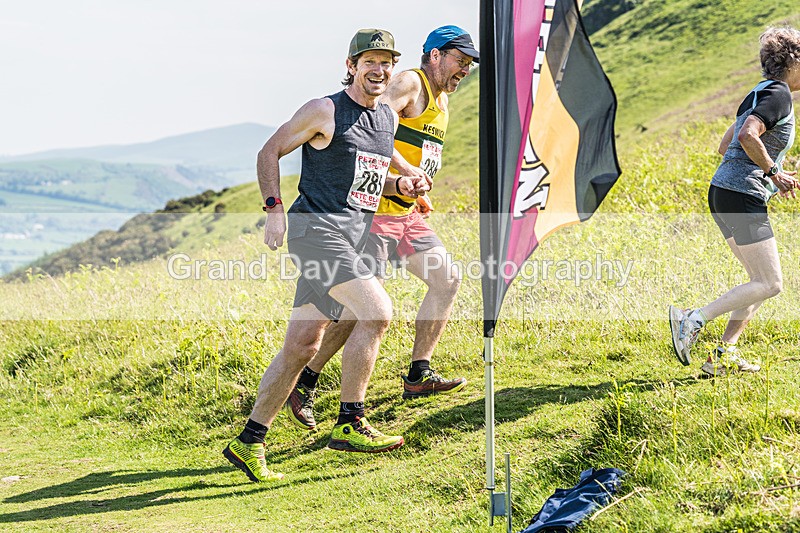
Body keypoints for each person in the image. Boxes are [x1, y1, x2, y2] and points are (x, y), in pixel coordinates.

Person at [223, 28, 430, 482]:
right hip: (316, 231)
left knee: (301, 347)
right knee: (376, 312)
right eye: (369, 61)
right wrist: (274, 211)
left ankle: (249, 441)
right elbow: (269, 151)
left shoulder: (386, 120)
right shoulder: (325, 109)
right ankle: (351, 421)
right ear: (352, 65)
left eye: (386, 62)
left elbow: (367, 185)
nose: (379, 70)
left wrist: (403, 183)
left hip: (353, 235)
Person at [285, 25, 479, 431]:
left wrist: (415, 187)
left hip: (406, 212)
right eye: (461, 60)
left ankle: (417, 374)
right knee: (360, 312)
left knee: (447, 279)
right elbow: (371, 127)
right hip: (375, 215)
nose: (465, 69)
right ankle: (307, 380)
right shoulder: (410, 81)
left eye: (469, 64)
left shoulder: (442, 99)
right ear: (436, 55)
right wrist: (403, 174)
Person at [669, 26, 800, 377]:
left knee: (756, 283)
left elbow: (725, 144)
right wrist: (772, 171)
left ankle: (722, 354)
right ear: (793, 62)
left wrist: (772, 169)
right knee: (771, 284)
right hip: (740, 195)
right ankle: (690, 320)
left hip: (724, 191)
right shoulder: (780, 95)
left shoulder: (758, 92)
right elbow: (745, 135)